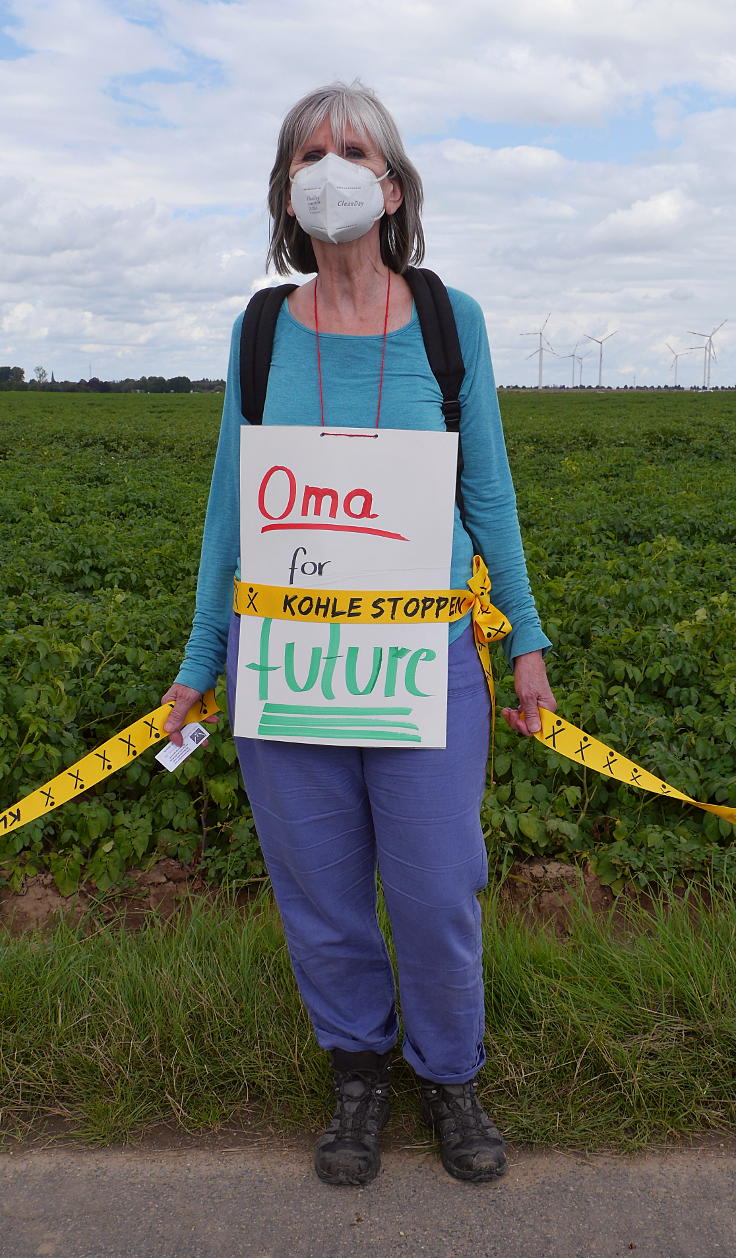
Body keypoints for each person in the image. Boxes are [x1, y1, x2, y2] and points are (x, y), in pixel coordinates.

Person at [162, 81, 556, 1187]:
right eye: (308, 151)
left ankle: (450, 1072)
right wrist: (201, 664)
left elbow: (489, 489)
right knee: (320, 893)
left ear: (392, 183)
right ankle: (357, 1073)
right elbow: (228, 514)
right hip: (285, 667)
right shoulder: (256, 330)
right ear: (287, 184)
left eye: (352, 150)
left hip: (423, 664)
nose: (329, 167)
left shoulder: (448, 320)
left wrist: (524, 636)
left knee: (435, 889)